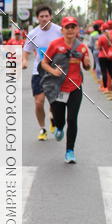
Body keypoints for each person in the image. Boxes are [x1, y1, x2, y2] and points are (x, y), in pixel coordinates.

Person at [40, 16, 91, 164]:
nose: (70, 30)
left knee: (72, 119)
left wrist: (87, 64)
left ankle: (70, 151)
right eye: (67, 27)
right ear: (62, 30)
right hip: (57, 88)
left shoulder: (81, 47)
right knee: (60, 120)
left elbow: (87, 67)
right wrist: (53, 71)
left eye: (72, 27)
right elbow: (44, 63)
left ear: (77, 30)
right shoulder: (55, 45)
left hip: (75, 87)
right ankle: (59, 128)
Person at [22, 4, 61, 141]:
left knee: (54, 102)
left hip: (55, 71)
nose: (44, 19)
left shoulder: (59, 31)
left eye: (46, 16)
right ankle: (42, 128)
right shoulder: (33, 34)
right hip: (38, 71)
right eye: (41, 16)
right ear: (37, 18)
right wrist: (25, 61)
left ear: (50, 17)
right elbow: (26, 51)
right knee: (39, 102)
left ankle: (53, 119)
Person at [97, 21, 112, 92]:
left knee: (104, 72)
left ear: (103, 30)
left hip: (102, 56)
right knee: (111, 71)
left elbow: (98, 47)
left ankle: (105, 87)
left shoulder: (101, 37)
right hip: (111, 56)